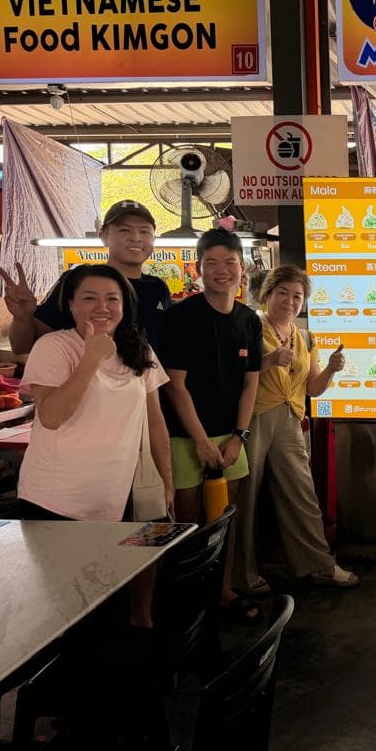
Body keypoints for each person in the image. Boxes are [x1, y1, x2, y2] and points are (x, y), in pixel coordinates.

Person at [17, 264, 173, 628]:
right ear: (71, 304)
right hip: (57, 503)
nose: (101, 306)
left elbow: (155, 423)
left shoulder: (138, 349)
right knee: (60, 615)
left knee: (103, 609)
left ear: (125, 306)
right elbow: (52, 416)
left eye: (111, 298)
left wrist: (167, 483)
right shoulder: (54, 347)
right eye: (89, 297)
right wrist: (89, 360)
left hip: (114, 501)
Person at [235, 265, 359, 595]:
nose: (290, 301)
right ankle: (240, 574)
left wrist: (331, 369)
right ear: (267, 295)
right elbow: (234, 373)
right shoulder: (250, 325)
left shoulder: (305, 336)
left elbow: (313, 388)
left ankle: (317, 566)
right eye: (283, 293)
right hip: (254, 418)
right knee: (244, 497)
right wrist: (269, 360)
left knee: (302, 493)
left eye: (297, 296)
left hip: (290, 419)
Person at [160, 229, 262, 623]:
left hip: (230, 436)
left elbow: (250, 382)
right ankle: (189, 600)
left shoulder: (248, 320)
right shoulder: (181, 317)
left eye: (230, 263)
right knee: (187, 522)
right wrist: (201, 441)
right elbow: (176, 385)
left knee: (225, 518)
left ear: (242, 268)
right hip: (185, 435)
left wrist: (239, 436)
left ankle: (223, 591)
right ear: (199, 269)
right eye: (212, 263)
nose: (222, 271)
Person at [1, 199, 172, 355]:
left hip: (143, 386)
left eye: (144, 231)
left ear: (154, 239)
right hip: (83, 383)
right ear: (103, 236)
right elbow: (23, 347)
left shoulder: (158, 289)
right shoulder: (78, 281)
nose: (135, 238)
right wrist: (22, 318)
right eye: (124, 230)